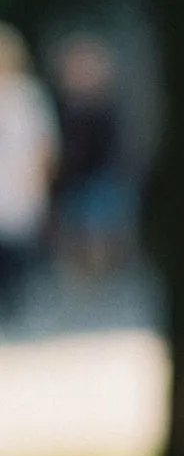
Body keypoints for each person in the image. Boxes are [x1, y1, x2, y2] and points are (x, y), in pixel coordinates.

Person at [50, 35, 134, 278]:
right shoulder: (64, 104)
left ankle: (97, 276)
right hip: (73, 178)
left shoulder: (103, 106)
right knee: (74, 232)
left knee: (99, 232)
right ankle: (79, 275)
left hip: (98, 176)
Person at [0, 25, 58, 317]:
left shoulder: (29, 97)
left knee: (18, 252)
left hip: (19, 186)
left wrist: (41, 180)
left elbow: (43, 145)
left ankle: (15, 305)